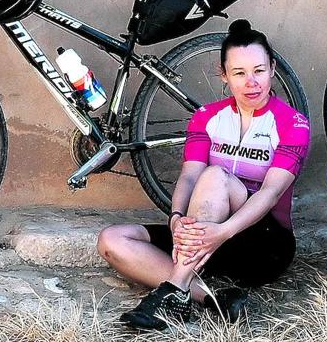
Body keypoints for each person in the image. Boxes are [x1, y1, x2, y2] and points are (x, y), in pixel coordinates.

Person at [97, 20, 310, 330]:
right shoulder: (207, 117)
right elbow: (187, 177)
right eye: (239, 73)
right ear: (223, 76)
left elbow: (270, 193)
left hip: (263, 246)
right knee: (112, 239)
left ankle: (174, 289)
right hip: (207, 237)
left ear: (273, 68)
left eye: (259, 70)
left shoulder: (293, 123)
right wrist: (176, 218)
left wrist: (222, 233)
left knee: (215, 176)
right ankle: (214, 298)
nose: (251, 82)